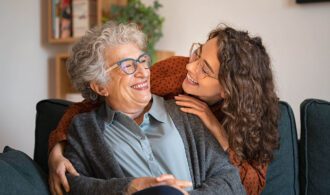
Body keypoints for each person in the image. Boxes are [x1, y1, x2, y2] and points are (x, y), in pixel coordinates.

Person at [48, 23, 279, 195]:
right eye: (128, 65)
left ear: (227, 90)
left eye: (142, 61)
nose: (143, 72)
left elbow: (239, 183)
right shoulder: (174, 76)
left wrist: (218, 132)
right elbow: (87, 106)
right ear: (100, 85)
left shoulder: (192, 116)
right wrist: (56, 150)